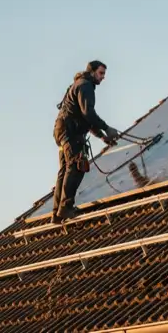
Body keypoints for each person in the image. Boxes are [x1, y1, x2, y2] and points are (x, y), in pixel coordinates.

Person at [52, 60, 121, 224]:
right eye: (101, 73)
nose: (103, 77)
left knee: (65, 169)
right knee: (77, 166)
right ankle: (66, 207)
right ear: (92, 72)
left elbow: (85, 119)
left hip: (62, 131)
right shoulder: (86, 86)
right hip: (70, 132)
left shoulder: (79, 84)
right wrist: (107, 128)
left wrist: (102, 136)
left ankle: (57, 213)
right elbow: (88, 114)